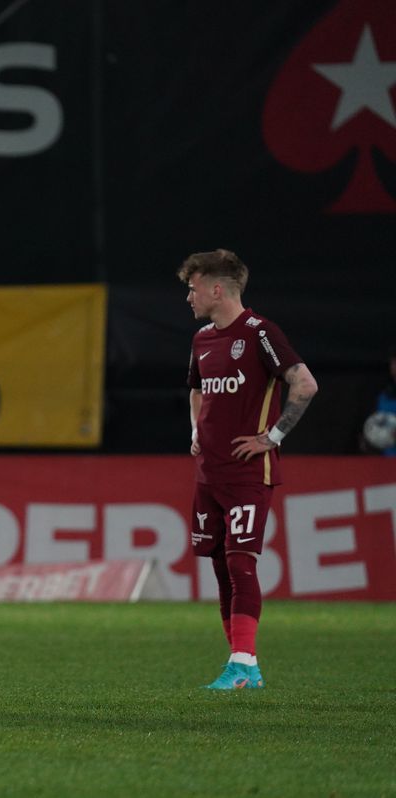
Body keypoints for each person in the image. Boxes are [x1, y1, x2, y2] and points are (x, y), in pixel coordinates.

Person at [180, 249, 318, 690]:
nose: (189, 296)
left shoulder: (260, 333)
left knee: (242, 564)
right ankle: (242, 665)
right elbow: (198, 389)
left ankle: (243, 664)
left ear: (217, 289)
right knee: (221, 566)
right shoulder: (202, 339)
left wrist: (272, 438)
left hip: (246, 474)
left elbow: (305, 383)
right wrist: (196, 430)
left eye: (194, 287)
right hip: (210, 472)